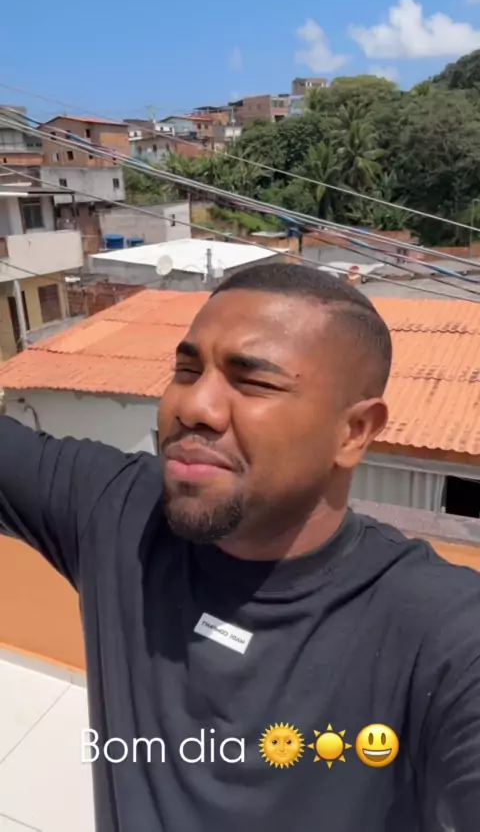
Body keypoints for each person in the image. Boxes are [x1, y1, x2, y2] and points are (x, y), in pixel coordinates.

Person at [0, 261, 479, 832]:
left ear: (353, 432)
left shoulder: (443, 635)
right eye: (186, 370)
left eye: (253, 382)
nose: (193, 407)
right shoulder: (116, 511)